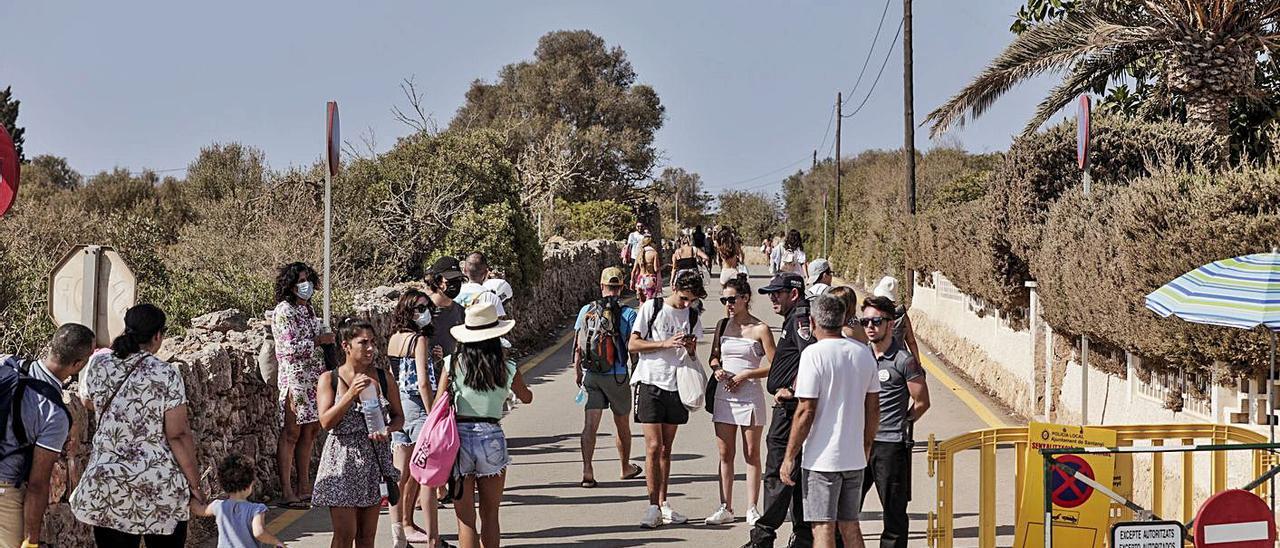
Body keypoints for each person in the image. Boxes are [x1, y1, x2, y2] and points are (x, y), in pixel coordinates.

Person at [72, 304, 206, 548]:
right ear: (157, 335)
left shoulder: (99, 365)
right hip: (158, 483)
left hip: (109, 482)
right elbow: (177, 435)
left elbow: (87, 401)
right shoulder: (166, 374)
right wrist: (195, 484)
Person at [781, 294, 881, 548]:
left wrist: (789, 455)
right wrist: (866, 446)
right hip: (854, 457)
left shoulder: (813, 355)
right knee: (850, 524)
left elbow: (806, 410)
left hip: (822, 459)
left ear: (814, 322)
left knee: (823, 527)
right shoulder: (863, 353)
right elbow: (873, 408)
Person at [438, 302, 533, 548]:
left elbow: (439, 402)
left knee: (465, 519)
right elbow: (526, 397)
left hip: (458, 439)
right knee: (490, 514)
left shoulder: (452, 364)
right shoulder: (507, 366)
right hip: (491, 436)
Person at [314, 318, 405, 548]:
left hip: (373, 460)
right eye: (363, 343)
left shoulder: (383, 378)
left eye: (372, 342)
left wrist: (388, 429)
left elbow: (399, 416)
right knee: (345, 535)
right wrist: (349, 395)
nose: (371, 348)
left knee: (366, 537)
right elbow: (326, 422)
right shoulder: (330, 379)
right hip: (341, 461)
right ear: (346, 346)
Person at [0, 324, 94, 548]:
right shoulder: (53, 413)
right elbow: (37, 485)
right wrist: (31, 540)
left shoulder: (6, 363)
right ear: (77, 365)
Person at [629, 273, 707, 528]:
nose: (687, 304)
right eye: (684, 298)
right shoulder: (652, 307)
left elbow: (692, 352)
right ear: (674, 288)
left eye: (692, 300)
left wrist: (690, 349)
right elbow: (633, 344)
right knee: (652, 446)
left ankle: (663, 503)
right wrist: (665, 343)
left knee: (666, 448)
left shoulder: (693, 316)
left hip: (676, 385)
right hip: (650, 381)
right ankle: (652, 506)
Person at [743, 272, 815, 548]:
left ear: (793, 294)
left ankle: (763, 537)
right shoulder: (794, 317)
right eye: (771, 293)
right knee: (794, 472)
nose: (772, 297)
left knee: (778, 473)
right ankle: (802, 537)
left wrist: (794, 390)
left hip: (790, 411)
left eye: (778, 292)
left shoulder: (799, 318)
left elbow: (810, 356)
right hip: (790, 408)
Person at [859, 296, 931, 548]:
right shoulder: (858, 356)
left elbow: (922, 402)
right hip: (857, 445)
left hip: (891, 446)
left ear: (891, 324)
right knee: (844, 510)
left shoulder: (904, 360)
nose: (870, 326)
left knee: (894, 515)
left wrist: (903, 421)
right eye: (865, 321)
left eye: (876, 321)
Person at [705, 274, 775, 526]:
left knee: (751, 452)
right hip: (725, 394)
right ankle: (726, 506)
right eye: (724, 299)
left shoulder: (761, 329)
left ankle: (752, 507)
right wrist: (717, 369)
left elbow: (775, 365)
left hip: (750, 395)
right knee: (725, 453)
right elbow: (714, 357)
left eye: (732, 299)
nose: (728, 304)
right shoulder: (723, 325)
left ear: (745, 299)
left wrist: (747, 374)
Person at [573, 267, 644, 488]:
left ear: (601, 286)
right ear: (622, 287)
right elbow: (634, 348)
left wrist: (578, 373)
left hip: (592, 375)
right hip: (618, 376)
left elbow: (578, 346)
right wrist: (636, 371)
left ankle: (587, 469)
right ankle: (625, 467)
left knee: (590, 425)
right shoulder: (629, 313)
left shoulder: (586, 310)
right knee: (621, 423)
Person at [271, 262, 333, 509]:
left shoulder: (308, 310)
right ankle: (287, 489)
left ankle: (304, 485)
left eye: (307, 279)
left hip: (313, 377)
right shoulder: (284, 311)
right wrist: (318, 341)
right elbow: (287, 349)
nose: (305, 285)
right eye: (300, 281)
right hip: (295, 378)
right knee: (291, 432)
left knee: (310, 430)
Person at [386, 290, 443, 548]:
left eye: (425, 307)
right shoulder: (418, 340)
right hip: (418, 408)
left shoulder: (394, 339)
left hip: (399, 406)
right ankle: (430, 535)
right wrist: (433, 414)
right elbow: (422, 382)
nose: (424, 313)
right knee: (423, 473)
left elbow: (392, 375)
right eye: (419, 308)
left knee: (401, 473)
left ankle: (400, 531)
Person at [190, 454, 285, 548]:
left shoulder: (218, 506)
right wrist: (276, 542)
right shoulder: (256, 509)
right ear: (250, 484)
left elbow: (198, 509)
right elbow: (259, 533)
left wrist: (189, 495)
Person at [871, 277, 921, 362]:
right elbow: (911, 341)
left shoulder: (872, 314)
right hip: (900, 360)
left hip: (878, 359)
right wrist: (918, 364)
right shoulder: (902, 315)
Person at [456, 253, 507, 317]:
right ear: (486, 273)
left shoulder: (454, 294)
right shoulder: (492, 298)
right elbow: (500, 324)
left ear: (464, 271)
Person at [625, 222, 647, 287]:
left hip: (643, 256)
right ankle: (636, 284)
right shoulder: (632, 235)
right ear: (636, 227)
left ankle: (640, 284)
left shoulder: (645, 235)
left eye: (641, 226)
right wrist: (625, 256)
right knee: (636, 271)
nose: (640, 228)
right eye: (638, 226)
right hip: (634, 256)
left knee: (642, 270)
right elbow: (629, 246)